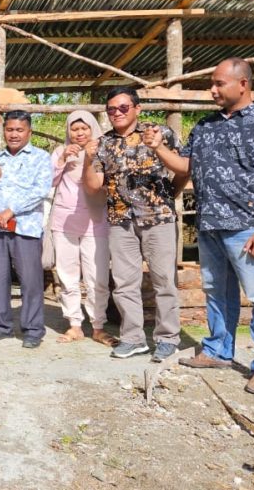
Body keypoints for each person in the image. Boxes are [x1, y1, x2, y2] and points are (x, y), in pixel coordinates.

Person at [146, 58, 254, 395]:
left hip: (248, 227)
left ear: (243, 84)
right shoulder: (205, 127)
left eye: (219, 83)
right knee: (217, 293)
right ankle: (217, 351)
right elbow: (186, 165)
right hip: (210, 226)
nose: (212, 90)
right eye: (211, 84)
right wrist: (158, 148)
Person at [83, 87, 187, 361]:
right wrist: (87, 158)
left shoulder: (158, 133)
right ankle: (132, 338)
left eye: (123, 108)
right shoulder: (104, 143)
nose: (116, 113)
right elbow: (94, 186)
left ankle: (167, 338)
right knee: (124, 283)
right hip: (120, 220)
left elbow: (184, 168)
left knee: (164, 280)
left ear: (137, 108)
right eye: (111, 109)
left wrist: (169, 193)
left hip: (158, 219)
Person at [0, 110, 53, 349]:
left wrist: (12, 210)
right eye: (10, 130)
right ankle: (2, 326)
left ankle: (32, 330)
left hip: (26, 228)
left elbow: (41, 190)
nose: (14, 134)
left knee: (30, 281)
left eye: (19, 130)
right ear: (4, 131)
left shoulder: (40, 157)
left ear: (29, 132)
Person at [50, 110, 115, 346]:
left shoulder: (105, 151)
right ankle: (74, 325)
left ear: (93, 129)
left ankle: (98, 326)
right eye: (74, 129)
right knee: (67, 275)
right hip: (64, 221)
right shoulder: (61, 152)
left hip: (96, 221)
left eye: (84, 128)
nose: (79, 133)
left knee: (96, 276)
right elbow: (48, 183)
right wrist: (61, 160)